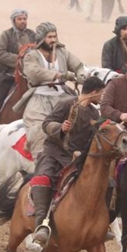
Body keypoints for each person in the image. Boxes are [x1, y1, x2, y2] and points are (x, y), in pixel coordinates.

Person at [29, 76, 105, 245]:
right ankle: (42, 225)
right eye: (101, 93)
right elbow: (47, 123)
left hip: (76, 160)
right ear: (93, 93)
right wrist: (60, 128)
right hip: (54, 154)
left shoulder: (94, 113)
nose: (102, 97)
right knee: (43, 180)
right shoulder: (65, 104)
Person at [21, 22, 86, 158]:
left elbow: (79, 65)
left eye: (54, 36)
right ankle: (39, 160)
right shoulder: (31, 56)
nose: (53, 40)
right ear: (41, 38)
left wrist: (81, 75)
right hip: (40, 98)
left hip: (63, 97)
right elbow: (34, 72)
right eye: (49, 37)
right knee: (38, 129)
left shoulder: (62, 52)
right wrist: (59, 75)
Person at [0, 8, 36, 135]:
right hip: (9, 73)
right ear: (13, 20)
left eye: (24, 19)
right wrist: (19, 60)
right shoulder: (6, 35)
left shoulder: (33, 35)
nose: (23, 21)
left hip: (32, 74)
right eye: (19, 19)